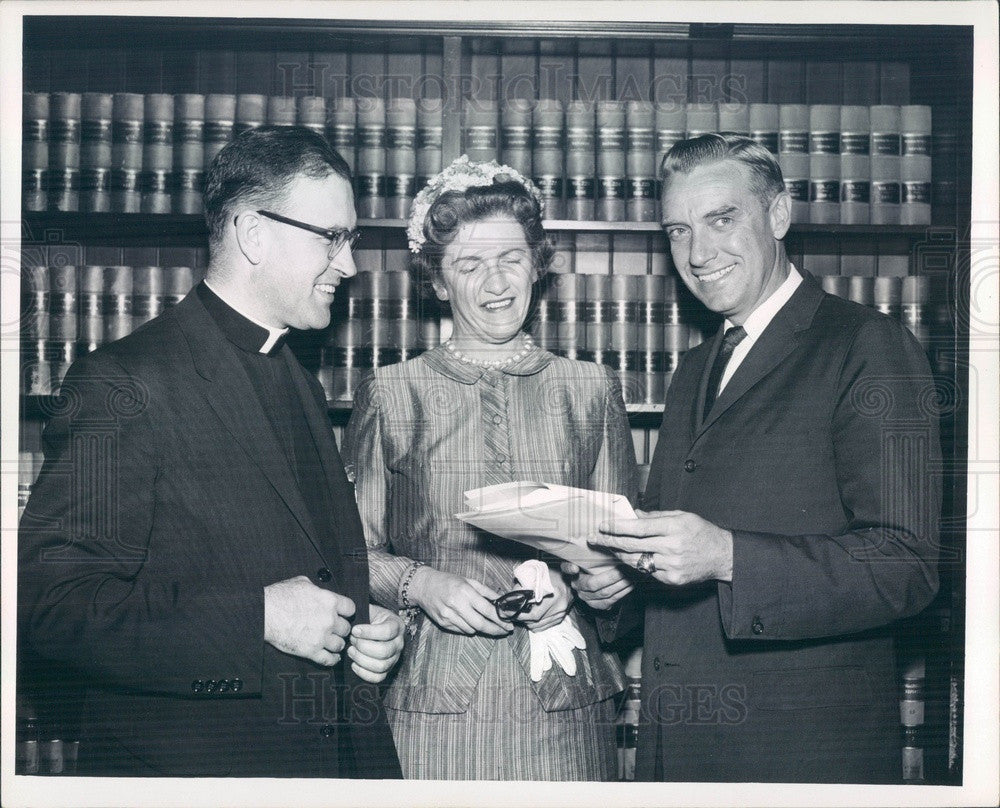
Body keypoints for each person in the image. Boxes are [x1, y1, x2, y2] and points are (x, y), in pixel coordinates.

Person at [18, 126, 404, 778]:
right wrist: (258, 619)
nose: (350, 265)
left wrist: (367, 637)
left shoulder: (297, 378)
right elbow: (51, 609)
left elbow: (313, 574)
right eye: (331, 238)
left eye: (351, 240)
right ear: (253, 234)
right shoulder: (123, 384)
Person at [569, 133, 941, 783]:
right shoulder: (692, 370)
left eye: (721, 220)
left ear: (778, 215)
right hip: (677, 747)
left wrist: (729, 556)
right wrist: (626, 582)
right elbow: (686, 545)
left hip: (796, 757)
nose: (699, 252)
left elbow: (905, 565)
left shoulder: (867, 345)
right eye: (678, 230)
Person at [342, 156, 637, 780]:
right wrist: (421, 585)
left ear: (537, 262)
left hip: (561, 702)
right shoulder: (392, 393)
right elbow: (348, 553)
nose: (495, 282)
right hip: (433, 704)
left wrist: (585, 583)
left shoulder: (590, 389)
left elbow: (623, 553)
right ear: (439, 282)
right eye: (468, 264)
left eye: (510, 258)